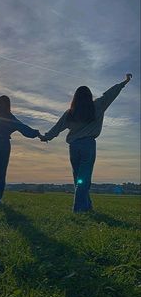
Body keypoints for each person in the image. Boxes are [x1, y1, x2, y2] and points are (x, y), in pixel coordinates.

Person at [40, 74, 133, 213]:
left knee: (79, 180)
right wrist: (124, 82)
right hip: (88, 146)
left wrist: (45, 137)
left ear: (75, 98)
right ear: (89, 96)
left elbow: (57, 128)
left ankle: (87, 206)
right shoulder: (97, 105)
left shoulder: (70, 113)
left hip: (74, 147)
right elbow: (111, 93)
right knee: (83, 180)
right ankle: (78, 210)